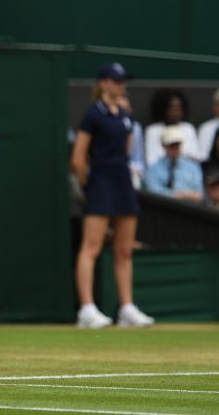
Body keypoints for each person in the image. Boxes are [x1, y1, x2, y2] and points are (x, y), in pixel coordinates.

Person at [70, 62, 154, 329]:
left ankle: (127, 308)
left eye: (122, 81)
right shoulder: (93, 115)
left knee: (124, 250)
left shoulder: (126, 114)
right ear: (103, 83)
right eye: (116, 81)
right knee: (91, 247)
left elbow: (127, 152)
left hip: (123, 183)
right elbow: (78, 159)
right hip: (101, 183)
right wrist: (90, 185)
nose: (121, 85)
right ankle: (86, 309)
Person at [143, 126, 203, 201]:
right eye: (171, 145)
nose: (175, 148)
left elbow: (200, 195)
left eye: (177, 144)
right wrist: (181, 195)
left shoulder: (193, 168)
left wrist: (175, 195)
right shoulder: (153, 170)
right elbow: (155, 194)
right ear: (164, 145)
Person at [144, 88, 200, 167]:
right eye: (172, 107)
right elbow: (151, 160)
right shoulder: (153, 130)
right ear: (163, 108)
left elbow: (195, 158)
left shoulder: (188, 129)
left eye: (179, 108)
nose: (176, 111)